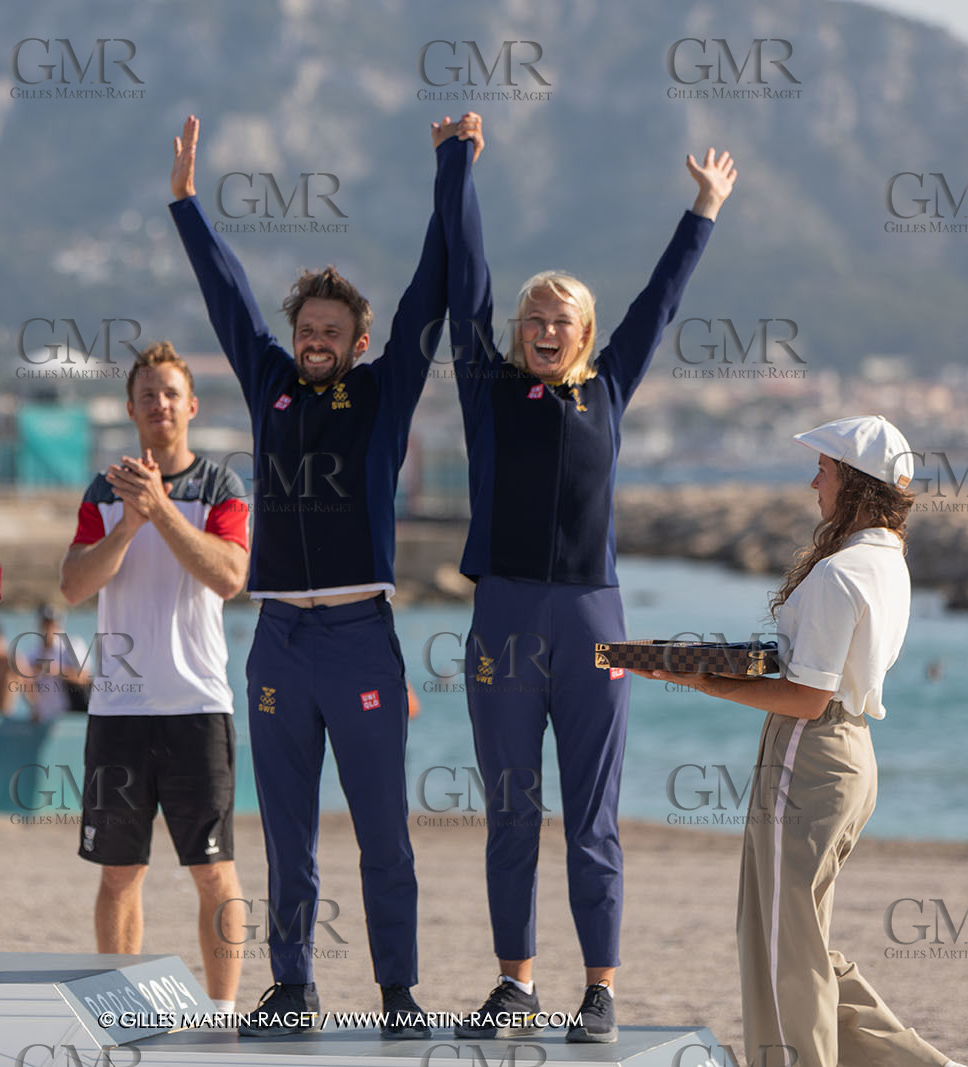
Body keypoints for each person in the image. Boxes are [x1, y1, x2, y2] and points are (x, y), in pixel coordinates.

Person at [438, 110, 733, 1042]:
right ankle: (515, 981)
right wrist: (458, 168)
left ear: (586, 332)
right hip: (505, 613)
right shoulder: (486, 390)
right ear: (519, 330)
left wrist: (704, 212)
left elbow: (662, 299)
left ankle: (599, 987)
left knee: (592, 814)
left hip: (595, 622)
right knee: (512, 810)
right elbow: (465, 288)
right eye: (535, 318)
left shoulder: (609, 386)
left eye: (562, 319)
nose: (546, 328)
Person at [167, 113, 463, 1038]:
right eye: (307, 326)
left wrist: (452, 168)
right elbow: (228, 300)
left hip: (360, 638)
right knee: (287, 836)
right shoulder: (271, 385)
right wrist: (185, 204)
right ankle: (291, 988)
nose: (316, 337)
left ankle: (399, 992)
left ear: (359, 340)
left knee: (384, 836)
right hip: (279, 642)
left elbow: (431, 292)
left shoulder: (383, 390)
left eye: (333, 328)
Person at [632, 415, 968, 1067]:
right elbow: (799, 665)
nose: (813, 480)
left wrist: (699, 678)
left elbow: (805, 696)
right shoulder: (887, 561)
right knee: (798, 940)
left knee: (782, 945)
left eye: (825, 468)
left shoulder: (842, 573)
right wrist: (700, 660)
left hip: (808, 754)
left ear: (855, 483)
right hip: (847, 757)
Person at [59, 341, 251, 1013]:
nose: (160, 404)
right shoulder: (103, 492)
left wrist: (162, 510)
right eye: (148, 395)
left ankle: (222, 1014)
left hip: (198, 706)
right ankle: (121, 1007)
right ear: (132, 410)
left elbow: (230, 576)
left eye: (171, 393)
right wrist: (128, 523)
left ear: (190, 405)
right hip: (118, 711)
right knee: (118, 874)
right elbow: (74, 585)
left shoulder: (221, 487)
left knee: (213, 872)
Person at [16, 604, 92, 721]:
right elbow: (24, 682)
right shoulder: (32, 653)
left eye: (52, 625)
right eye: (45, 625)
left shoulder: (72, 645)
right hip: (43, 717)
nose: (49, 629)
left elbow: (85, 677)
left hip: (70, 716)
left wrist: (56, 670)